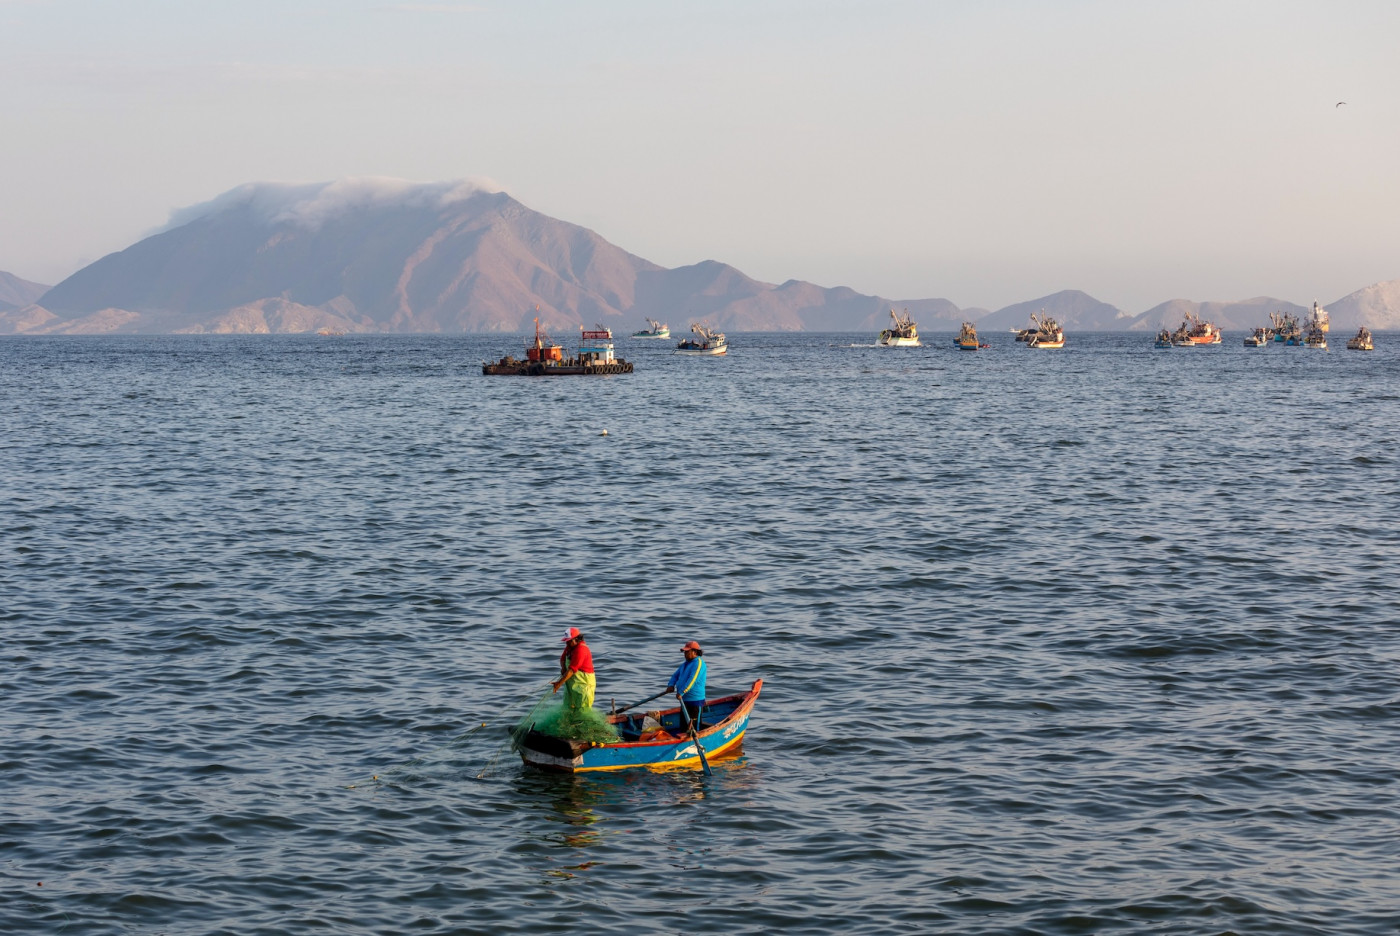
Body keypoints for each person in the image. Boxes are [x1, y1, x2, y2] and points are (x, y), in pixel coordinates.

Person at [666, 640, 707, 731]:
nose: (685, 654)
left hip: (695, 701)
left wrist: (681, 692)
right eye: (684, 652)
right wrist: (671, 685)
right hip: (684, 700)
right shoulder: (685, 664)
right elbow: (675, 675)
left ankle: (694, 741)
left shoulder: (699, 664)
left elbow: (692, 681)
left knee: (693, 728)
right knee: (684, 726)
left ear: (695, 652)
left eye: (687, 652)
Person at [553, 627, 595, 713]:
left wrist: (559, 684)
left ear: (576, 639)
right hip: (573, 685)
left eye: (569, 641)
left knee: (582, 709)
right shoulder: (569, 647)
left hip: (584, 685)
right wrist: (563, 668)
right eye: (566, 641)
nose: (567, 643)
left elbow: (572, 670)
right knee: (569, 707)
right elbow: (562, 658)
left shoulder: (581, 650)